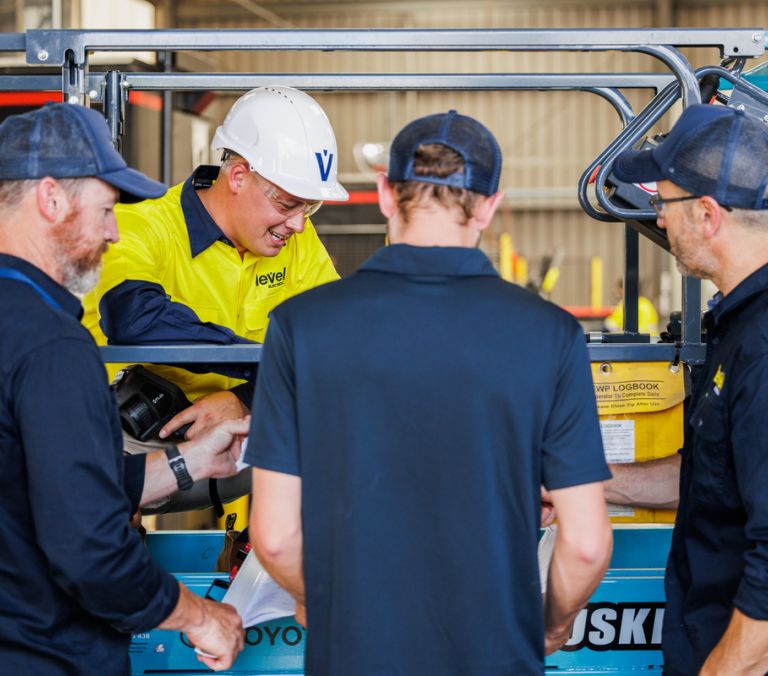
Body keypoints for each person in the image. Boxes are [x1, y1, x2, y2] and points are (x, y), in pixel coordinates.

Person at [246, 110, 613, 674]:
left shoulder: (300, 327)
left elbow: (272, 536)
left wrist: (321, 601)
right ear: (491, 204)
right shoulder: (551, 335)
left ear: (387, 194)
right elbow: (585, 544)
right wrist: (552, 624)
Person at [0, 102, 246, 674]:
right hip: (42, 653)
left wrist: (187, 464)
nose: (114, 234)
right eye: (107, 211)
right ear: (51, 198)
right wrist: (199, 616)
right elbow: (92, 553)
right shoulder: (52, 347)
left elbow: (42, 481)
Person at [81, 85, 348, 511]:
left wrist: (244, 397)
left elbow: (339, 342)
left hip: (240, 452)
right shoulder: (141, 225)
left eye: (309, 208)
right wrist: (268, 363)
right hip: (126, 455)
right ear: (239, 176)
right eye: (289, 203)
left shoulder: (297, 240)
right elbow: (134, 317)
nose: (298, 224)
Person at [610, 103, 768, 675]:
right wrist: (582, 481)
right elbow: (710, 477)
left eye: (663, 204)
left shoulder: (763, 346)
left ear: (706, 214)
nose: (657, 220)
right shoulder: (739, 324)